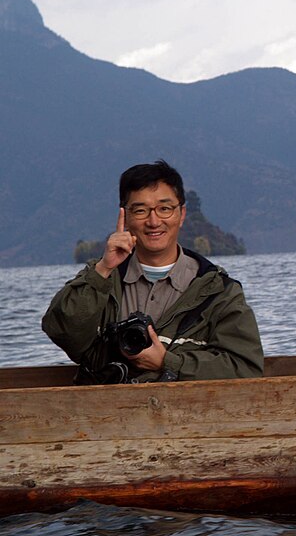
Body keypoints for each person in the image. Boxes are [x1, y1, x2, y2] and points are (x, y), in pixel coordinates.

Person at [42, 160, 264, 385]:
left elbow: (245, 368)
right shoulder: (103, 279)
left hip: (188, 416)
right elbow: (61, 332)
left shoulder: (218, 291)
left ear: (182, 213)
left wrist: (167, 362)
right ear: (125, 217)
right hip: (109, 414)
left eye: (164, 208)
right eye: (140, 211)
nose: (154, 221)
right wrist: (103, 269)